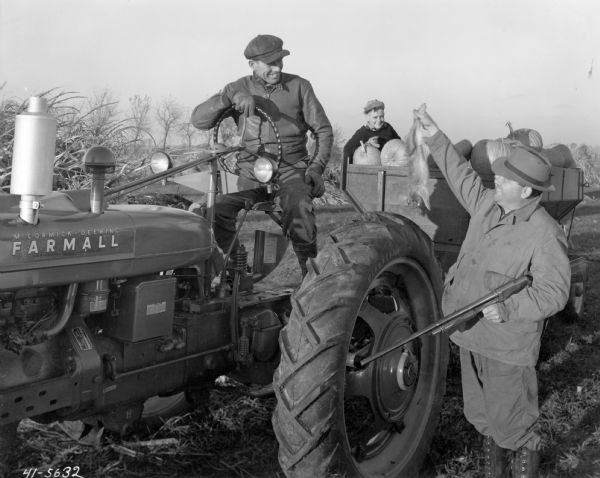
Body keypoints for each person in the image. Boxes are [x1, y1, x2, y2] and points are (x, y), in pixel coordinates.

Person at [413, 105, 570, 478]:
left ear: (527, 190)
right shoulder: (487, 204)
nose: (495, 181)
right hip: (469, 334)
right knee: (481, 416)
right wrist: (435, 134)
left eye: (504, 179)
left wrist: (511, 308)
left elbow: (555, 292)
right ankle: (492, 472)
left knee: (514, 425)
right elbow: (458, 172)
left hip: (506, 347)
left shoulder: (545, 234)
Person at [190, 34, 333, 277]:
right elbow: (198, 120)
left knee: (299, 211)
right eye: (270, 64)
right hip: (249, 174)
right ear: (252, 65)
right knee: (216, 208)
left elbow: (324, 131)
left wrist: (316, 168)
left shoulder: (300, 87)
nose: (276, 68)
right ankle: (237, 267)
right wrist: (228, 97)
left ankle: (311, 277)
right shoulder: (238, 87)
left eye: (279, 61)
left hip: (290, 171)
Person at [342, 99, 401, 163]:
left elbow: (399, 144)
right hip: (371, 169)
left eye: (381, 117)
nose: (379, 120)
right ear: (367, 118)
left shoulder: (388, 128)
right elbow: (347, 151)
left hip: (390, 167)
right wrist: (366, 145)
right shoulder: (362, 132)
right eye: (375, 117)